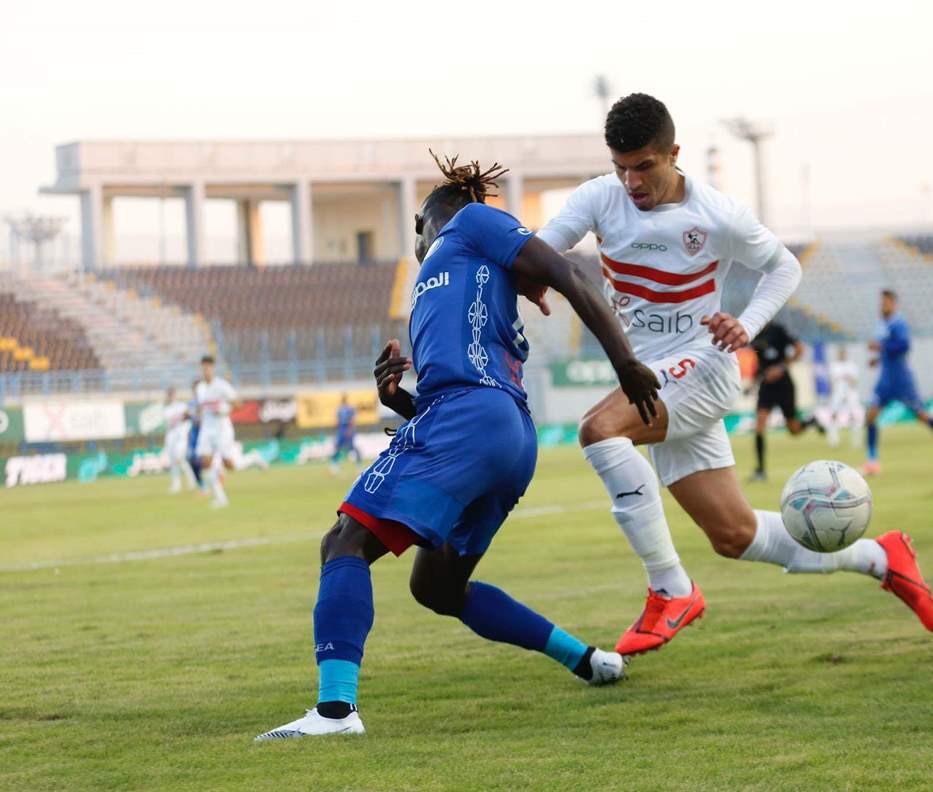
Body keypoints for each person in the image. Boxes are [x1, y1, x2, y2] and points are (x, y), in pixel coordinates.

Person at [255, 153, 660, 741]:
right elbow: (463, 380)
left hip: (474, 416)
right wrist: (401, 402)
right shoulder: (453, 278)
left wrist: (625, 364)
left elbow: (570, 274)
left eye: (416, 232)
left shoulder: (470, 222)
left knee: (344, 541)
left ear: (427, 220)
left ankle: (335, 713)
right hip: (501, 435)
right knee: (437, 587)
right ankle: (587, 660)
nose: (416, 245)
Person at [536, 93, 933, 658]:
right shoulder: (601, 197)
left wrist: (746, 324)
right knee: (734, 535)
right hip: (656, 378)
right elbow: (542, 249)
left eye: (644, 166)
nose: (631, 181)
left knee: (599, 430)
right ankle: (882, 557)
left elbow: (784, 267)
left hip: (702, 368)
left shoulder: (718, 215)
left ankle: (670, 590)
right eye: (621, 167)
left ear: (674, 153)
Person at [861, 290, 933, 476]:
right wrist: (878, 359)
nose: (882, 306)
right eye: (881, 303)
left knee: (922, 415)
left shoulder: (898, 323)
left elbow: (904, 346)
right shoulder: (882, 325)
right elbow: (889, 352)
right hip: (885, 380)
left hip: (902, 380)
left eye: (885, 303)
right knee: (871, 416)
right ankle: (872, 461)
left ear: (893, 304)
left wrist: (881, 347)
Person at [748, 320, 822, 481]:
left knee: (794, 430)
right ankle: (760, 470)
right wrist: (753, 383)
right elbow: (759, 362)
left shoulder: (778, 329)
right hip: (766, 386)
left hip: (784, 385)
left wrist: (781, 368)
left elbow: (799, 348)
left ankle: (811, 421)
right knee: (760, 424)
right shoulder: (753, 333)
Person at [195, 356, 240, 508]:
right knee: (205, 463)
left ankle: (253, 459)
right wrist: (198, 415)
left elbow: (238, 404)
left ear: (213, 368)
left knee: (230, 465)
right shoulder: (200, 388)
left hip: (222, 428)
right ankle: (221, 499)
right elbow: (201, 407)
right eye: (203, 367)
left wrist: (224, 410)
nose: (206, 370)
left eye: (208, 367)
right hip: (207, 429)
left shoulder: (222, 386)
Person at [826, 345, 863, 448]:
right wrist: (831, 395)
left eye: (844, 353)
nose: (842, 355)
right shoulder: (833, 366)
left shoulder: (852, 365)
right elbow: (831, 382)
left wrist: (849, 385)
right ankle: (833, 440)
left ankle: (856, 441)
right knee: (833, 416)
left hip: (850, 393)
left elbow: (855, 381)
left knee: (854, 416)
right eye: (840, 353)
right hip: (837, 394)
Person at [162, 386, 197, 493]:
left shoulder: (182, 406)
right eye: (169, 395)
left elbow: (189, 419)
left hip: (180, 436)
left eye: (172, 394)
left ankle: (192, 479)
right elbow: (167, 425)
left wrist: (186, 432)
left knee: (179, 458)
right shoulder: (167, 409)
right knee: (173, 461)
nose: (170, 396)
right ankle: (176, 484)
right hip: (171, 436)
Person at [328, 394, 361, 476]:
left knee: (352, 447)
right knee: (337, 447)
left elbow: (352, 420)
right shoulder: (340, 409)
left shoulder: (350, 408)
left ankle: (358, 466)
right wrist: (336, 428)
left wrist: (350, 429)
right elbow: (337, 421)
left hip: (348, 428)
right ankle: (334, 466)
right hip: (341, 429)